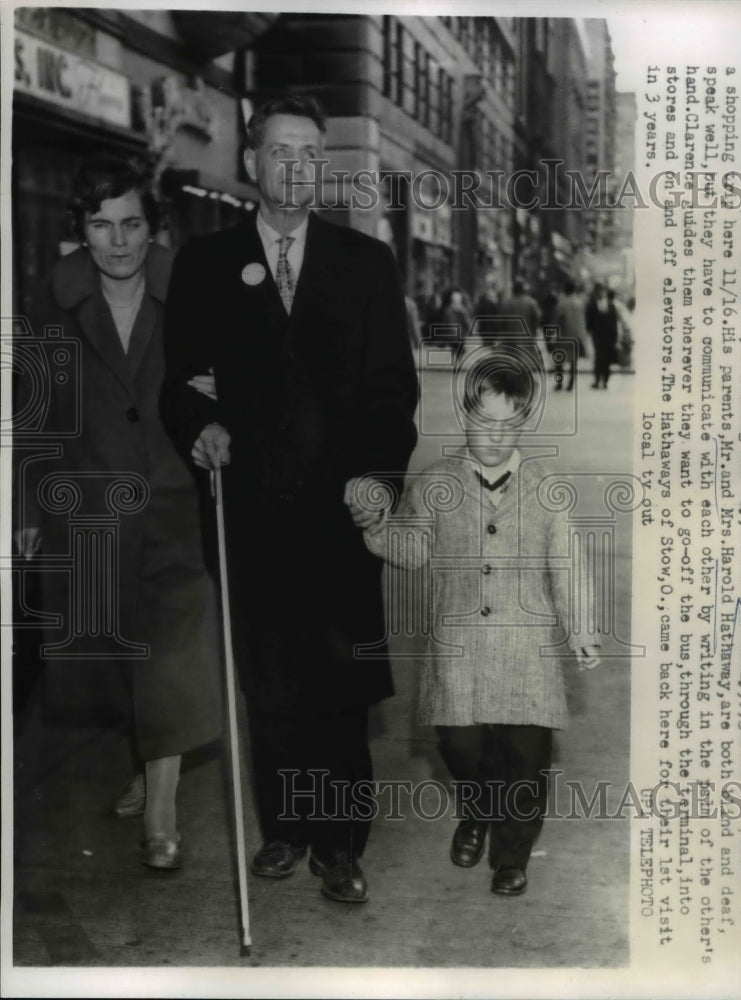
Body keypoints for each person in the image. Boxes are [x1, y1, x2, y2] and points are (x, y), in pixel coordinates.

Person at [160, 93, 418, 904]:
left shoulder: (365, 264)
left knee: (339, 691)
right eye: (281, 152)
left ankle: (341, 846)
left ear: (323, 167)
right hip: (250, 511)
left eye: (311, 154)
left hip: (340, 516)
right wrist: (201, 425)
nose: (296, 168)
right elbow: (180, 385)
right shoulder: (205, 263)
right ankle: (285, 829)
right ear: (251, 165)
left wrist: (378, 482)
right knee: (269, 685)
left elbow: (391, 394)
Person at [13, 154, 223, 870]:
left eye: (132, 223)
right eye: (101, 225)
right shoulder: (54, 296)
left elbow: (237, 372)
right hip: (92, 503)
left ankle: (161, 811)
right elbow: (36, 405)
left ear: (152, 227)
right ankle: (148, 759)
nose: (118, 241)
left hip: (175, 499)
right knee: (113, 654)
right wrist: (27, 502)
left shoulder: (192, 287)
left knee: (172, 651)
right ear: (84, 231)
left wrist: (223, 401)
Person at [363, 355, 600, 895]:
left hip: (528, 649)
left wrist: (581, 626)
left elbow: (568, 562)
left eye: (507, 424)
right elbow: (412, 550)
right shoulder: (434, 484)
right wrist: (377, 525)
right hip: (459, 649)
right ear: (463, 414)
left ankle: (512, 857)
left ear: (524, 423)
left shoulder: (546, 488)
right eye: (482, 421)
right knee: (460, 746)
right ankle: (478, 807)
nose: (493, 435)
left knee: (527, 758)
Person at [551, 280, 588, 391]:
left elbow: (557, 319)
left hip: (563, 335)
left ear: (564, 290)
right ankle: (571, 384)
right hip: (576, 335)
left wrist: (552, 334)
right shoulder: (580, 302)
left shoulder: (561, 303)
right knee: (573, 361)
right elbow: (582, 320)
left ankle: (559, 383)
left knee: (559, 360)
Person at [585, 283, 619, 389]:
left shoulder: (610, 305)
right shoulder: (592, 304)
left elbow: (614, 321)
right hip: (597, 336)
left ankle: (605, 381)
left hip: (609, 336)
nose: (599, 293)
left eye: (600, 291)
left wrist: (615, 336)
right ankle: (597, 380)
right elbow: (588, 320)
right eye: (597, 291)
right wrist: (590, 331)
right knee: (598, 358)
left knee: (606, 358)